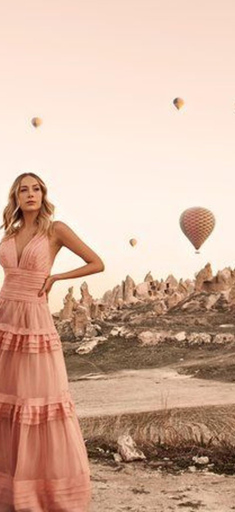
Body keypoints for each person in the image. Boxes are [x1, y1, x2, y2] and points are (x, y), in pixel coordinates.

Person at [0, 173, 103, 511]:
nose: (30, 194)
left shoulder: (55, 230)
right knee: (8, 403)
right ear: (15, 196)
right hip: (5, 318)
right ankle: (11, 490)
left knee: (36, 400)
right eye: (23, 189)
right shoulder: (10, 233)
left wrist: (58, 276)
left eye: (36, 189)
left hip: (34, 319)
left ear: (44, 195)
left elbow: (97, 263)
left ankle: (43, 493)